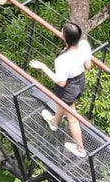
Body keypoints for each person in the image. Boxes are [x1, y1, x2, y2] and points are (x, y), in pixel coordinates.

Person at [29, 21, 92, 158]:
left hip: (68, 87)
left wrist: (43, 67)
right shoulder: (85, 45)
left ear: (65, 37)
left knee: (73, 119)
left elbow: (61, 82)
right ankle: (54, 122)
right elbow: (88, 65)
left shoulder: (62, 60)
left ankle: (80, 150)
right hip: (80, 81)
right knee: (66, 104)